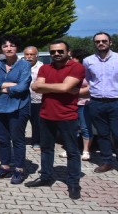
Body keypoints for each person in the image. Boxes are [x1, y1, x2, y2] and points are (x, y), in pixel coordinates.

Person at [25, 40, 85, 200]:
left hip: (68, 116)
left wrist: (50, 87)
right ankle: (46, 177)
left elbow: (59, 87)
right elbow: (35, 87)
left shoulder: (76, 67)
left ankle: (73, 183)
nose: (56, 54)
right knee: (46, 149)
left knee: (72, 151)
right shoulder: (45, 67)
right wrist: (63, 87)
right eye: (53, 52)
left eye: (60, 51)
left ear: (68, 52)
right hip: (46, 115)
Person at [84, 32, 118, 178]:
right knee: (102, 134)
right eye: (98, 41)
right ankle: (106, 161)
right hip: (97, 103)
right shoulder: (88, 61)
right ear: (94, 43)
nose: (101, 43)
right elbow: (88, 79)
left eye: (104, 41)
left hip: (117, 102)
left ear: (110, 42)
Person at [0, 34, 32, 184]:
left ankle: (19, 169)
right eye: (5, 46)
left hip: (18, 107)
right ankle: (5, 166)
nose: (9, 48)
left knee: (17, 139)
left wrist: (1, 86)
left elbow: (22, 86)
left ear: (17, 47)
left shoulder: (24, 64)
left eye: (12, 45)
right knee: (3, 139)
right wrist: (9, 85)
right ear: (1, 48)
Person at [69, 49, 92, 161]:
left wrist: (76, 92)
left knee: (85, 127)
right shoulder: (71, 70)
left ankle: (86, 150)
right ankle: (72, 149)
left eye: (72, 57)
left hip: (85, 103)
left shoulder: (88, 71)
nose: (70, 60)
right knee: (73, 127)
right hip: (72, 102)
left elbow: (92, 87)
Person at [23, 46, 43, 150]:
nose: (29, 57)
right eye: (27, 54)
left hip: (37, 99)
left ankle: (36, 141)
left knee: (36, 122)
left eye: (31, 54)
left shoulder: (42, 67)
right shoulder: (20, 66)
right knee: (21, 121)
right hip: (22, 99)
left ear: (36, 56)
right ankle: (20, 140)